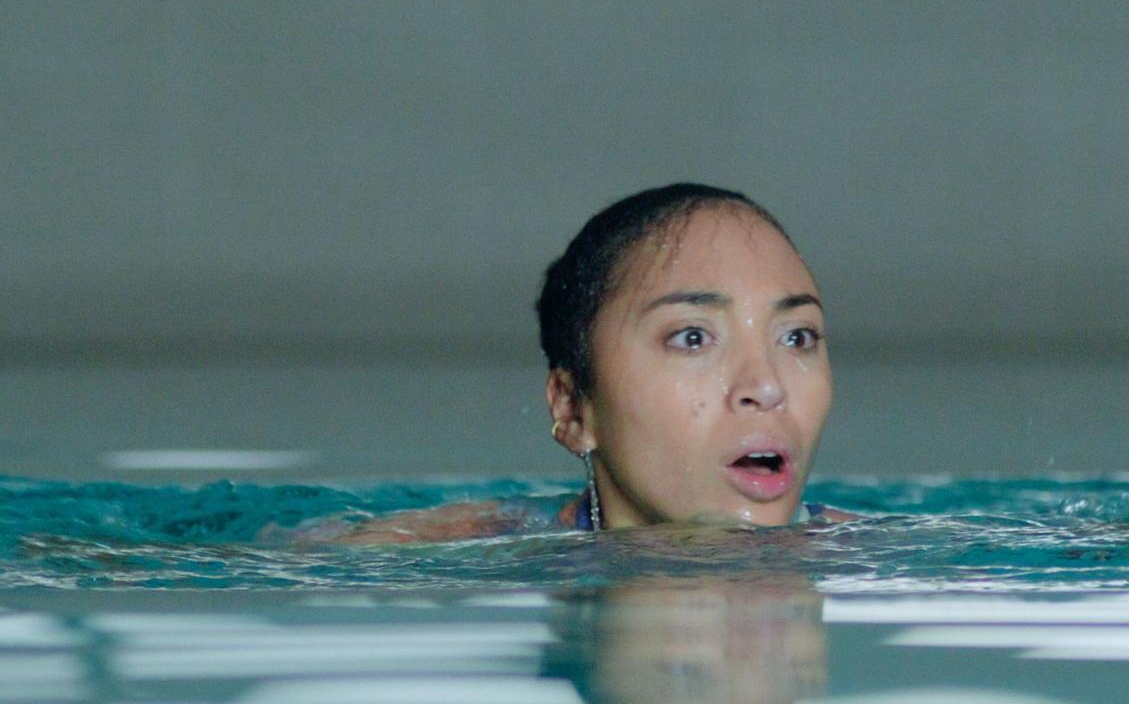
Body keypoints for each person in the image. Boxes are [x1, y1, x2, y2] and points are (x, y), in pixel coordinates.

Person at [299, 183, 847, 544]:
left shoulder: (876, 552)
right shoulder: (446, 548)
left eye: (797, 337)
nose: (765, 385)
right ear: (573, 408)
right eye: (692, 337)